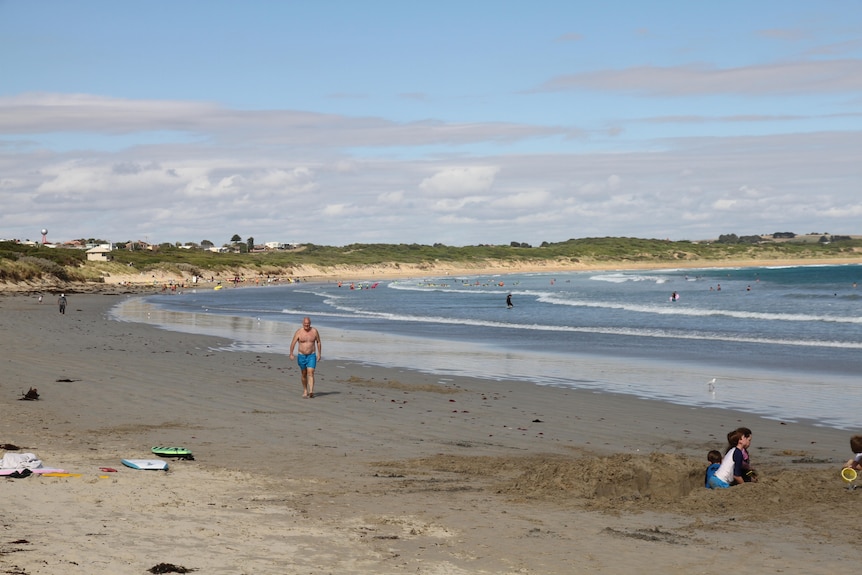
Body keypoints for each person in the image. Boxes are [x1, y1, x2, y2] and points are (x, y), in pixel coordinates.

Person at [289, 317, 322, 398]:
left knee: (311, 372)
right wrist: (291, 353)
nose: (306, 325)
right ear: (302, 323)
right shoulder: (299, 332)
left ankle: (311, 391)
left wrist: (319, 354)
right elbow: (293, 343)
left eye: (308, 324)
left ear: (310, 323)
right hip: (301, 356)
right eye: (305, 324)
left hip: (312, 355)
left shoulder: (314, 331)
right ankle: (305, 390)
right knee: (304, 373)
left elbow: (318, 342)